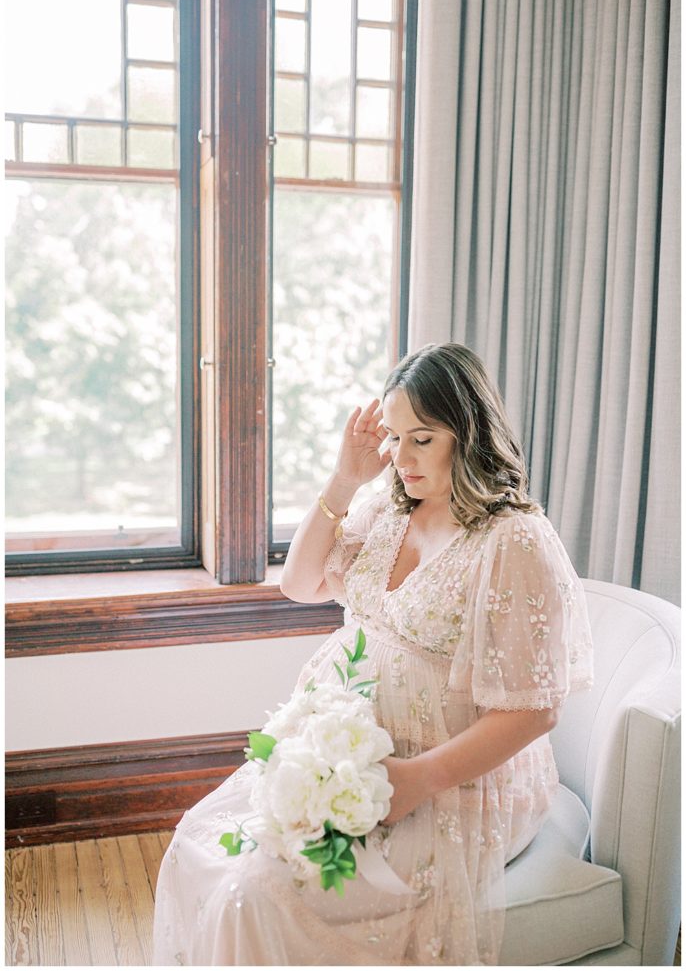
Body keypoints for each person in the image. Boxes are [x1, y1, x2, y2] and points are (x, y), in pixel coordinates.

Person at [153, 342, 594, 966]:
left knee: (250, 896)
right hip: (348, 755)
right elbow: (299, 584)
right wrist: (342, 480)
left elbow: (535, 712)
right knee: (196, 847)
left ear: (466, 434)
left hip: (451, 780)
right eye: (393, 436)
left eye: (423, 438)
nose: (401, 456)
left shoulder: (513, 539)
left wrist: (417, 779)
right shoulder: (386, 506)